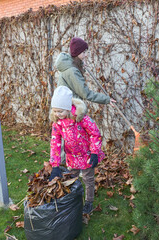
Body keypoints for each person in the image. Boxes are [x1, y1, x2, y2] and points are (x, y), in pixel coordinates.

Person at [48, 86, 105, 215]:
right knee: (72, 178)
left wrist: (95, 152)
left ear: (68, 108)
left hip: (87, 156)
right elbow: (55, 143)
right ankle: (74, 201)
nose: (57, 114)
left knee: (88, 179)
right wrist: (55, 165)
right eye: (55, 111)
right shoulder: (57, 123)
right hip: (72, 157)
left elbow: (95, 134)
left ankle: (89, 202)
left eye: (60, 111)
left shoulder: (82, 118)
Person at [54, 37, 116, 106]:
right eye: (83, 52)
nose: (86, 55)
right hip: (69, 109)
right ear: (77, 53)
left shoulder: (68, 66)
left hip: (67, 107)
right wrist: (106, 99)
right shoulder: (72, 70)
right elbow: (85, 93)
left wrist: (81, 65)